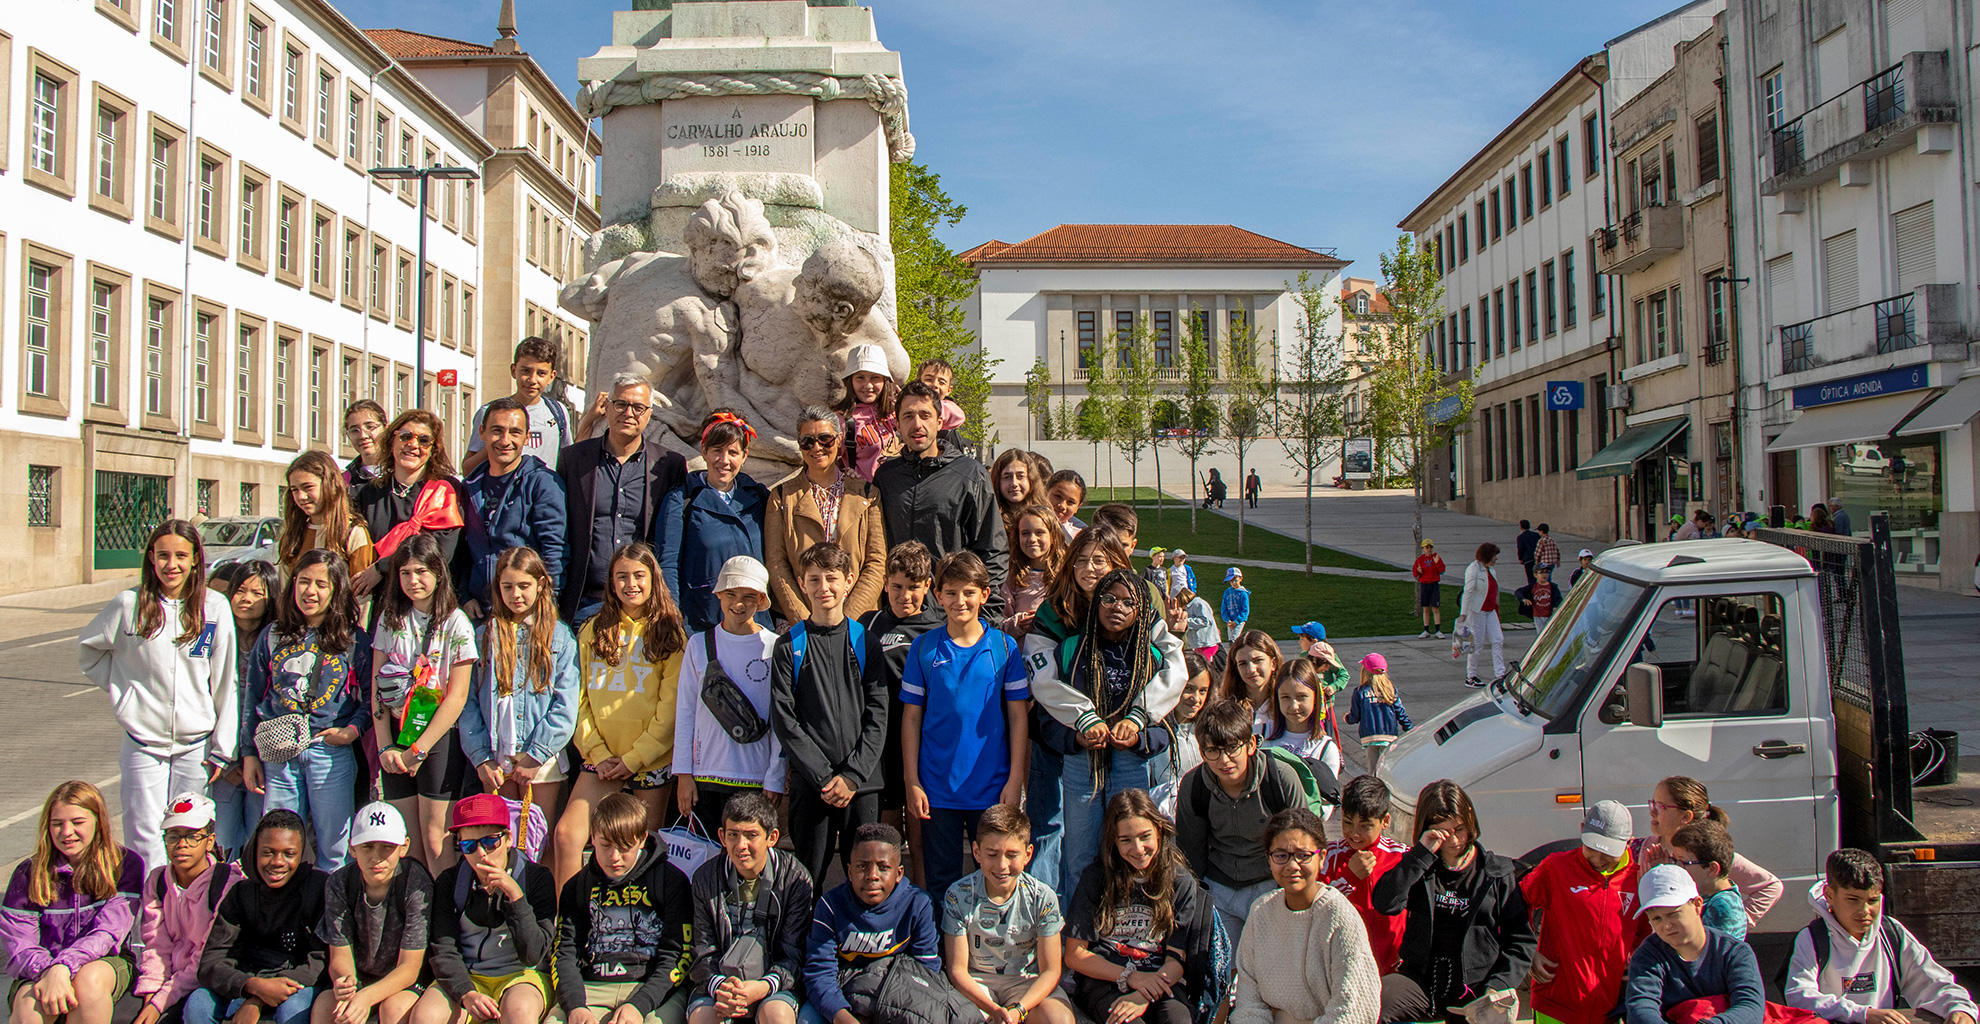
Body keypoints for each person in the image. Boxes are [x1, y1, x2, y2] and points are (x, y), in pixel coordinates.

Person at [78, 520, 238, 872]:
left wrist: (222, 750)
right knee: (144, 835)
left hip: (195, 747)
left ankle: (187, 912)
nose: (172, 564)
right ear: (151, 558)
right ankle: (147, 918)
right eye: (163, 555)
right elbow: (89, 653)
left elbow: (226, 680)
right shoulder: (128, 604)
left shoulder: (215, 607)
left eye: (181, 555)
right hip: (142, 744)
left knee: (189, 835)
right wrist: (126, 693)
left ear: (196, 559)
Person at [1035, 568, 1186, 892]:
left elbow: (1167, 726)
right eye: (1108, 598)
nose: (1116, 607)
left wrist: (1138, 733)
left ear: (1140, 612)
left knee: (1133, 852)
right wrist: (1075, 735)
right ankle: (1078, 932)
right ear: (1096, 604)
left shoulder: (1151, 657)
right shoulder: (1071, 651)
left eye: (1127, 602)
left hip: (1131, 762)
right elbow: (1047, 718)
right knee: (1081, 855)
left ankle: (1128, 926)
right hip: (1080, 765)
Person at [556, 542, 688, 890]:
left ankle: (638, 927)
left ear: (653, 578)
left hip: (647, 760)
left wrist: (634, 759)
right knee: (568, 836)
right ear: (611, 583)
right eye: (622, 576)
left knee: (643, 849)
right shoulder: (592, 630)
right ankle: (568, 928)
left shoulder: (670, 633)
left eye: (639, 575)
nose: (631, 584)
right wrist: (598, 754)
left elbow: (671, 707)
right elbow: (578, 698)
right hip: (601, 760)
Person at [901, 552, 1029, 901]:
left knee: (993, 875)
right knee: (941, 877)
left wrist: (1015, 779)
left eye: (969, 592)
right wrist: (912, 781)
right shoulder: (923, 648)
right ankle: (944, 953)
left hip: (991, 787)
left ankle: (990, 951)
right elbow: (911, 718)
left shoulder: (1004, 647)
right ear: (938, 595)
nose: (960, 601)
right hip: (937, 787)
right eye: (952, 592)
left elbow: (1018, 717)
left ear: (985, 595)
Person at [1018, 523, 1133, 894]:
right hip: (1058, 735)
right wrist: (1081, 715)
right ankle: (1051, 915)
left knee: (1121, 831)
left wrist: (1136, 717)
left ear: (1118, 561)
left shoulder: (1138, 603)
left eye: (1100, 560)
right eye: (1081, 559)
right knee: (1054, 827)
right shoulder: (1054, 610)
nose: (1089, 568)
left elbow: (1162, 664)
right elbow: (1041, 673)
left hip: (1121, 739)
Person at [243, 549, 371, 872]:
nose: (310, 591)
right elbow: (253, 697)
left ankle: (331, 919)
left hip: (330, 753)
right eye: (303, 582)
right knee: (279, 847)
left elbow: (372, 698)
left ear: (336, 590)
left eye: (320, 584)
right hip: (279, 756)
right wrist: (249, 753)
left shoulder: (352, 639)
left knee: (335, 850)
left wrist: (351, 730)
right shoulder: (272, 636)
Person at [769, 542, 888, 887]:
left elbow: (878, 714)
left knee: (866, 880)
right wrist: (823, 777)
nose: (824, 588)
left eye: (832, 579)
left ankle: (860, 941)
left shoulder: (866, 641)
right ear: (802, 584)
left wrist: (852, 775)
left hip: (862, 784)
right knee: (807, 878)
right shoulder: (789, 645)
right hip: (812, 785)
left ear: (849, 581)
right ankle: (803, 942)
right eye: (815, 579)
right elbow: (784, 719)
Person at [1372, 780, 1535, 1024]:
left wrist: (1498, 986)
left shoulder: (1497, 873)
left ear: (1470, 822)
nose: (1454, 840)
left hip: (1476, 988)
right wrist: (1421, 853)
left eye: (1459, 829)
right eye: (1443, 832)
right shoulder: (1420, 866)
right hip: (1421, 981)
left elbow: (1521, 942)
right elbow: (1386, 903)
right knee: (1370, 1003)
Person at [369, 534, 478, 877]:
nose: (413, 581)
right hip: (397, 738)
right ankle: (418, 916)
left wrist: (418, 749)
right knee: (409, 842)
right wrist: (386, 744)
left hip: (436, 740)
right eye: (404, 573)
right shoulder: (390, 619)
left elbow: (457, 696)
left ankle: (444, 922)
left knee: (436, 840)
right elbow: (376, 688)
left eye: (421, 572)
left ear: (438, 573)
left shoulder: (456, 622)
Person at [459, 547, 580, 852]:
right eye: (508, 586)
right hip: (495, 758)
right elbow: (468, 702)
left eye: (524, 586)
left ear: (541, 585)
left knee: (538, 843)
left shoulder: (560, 637)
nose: (516, 595)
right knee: (497, 843)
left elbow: (565, 705)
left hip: (541, 761)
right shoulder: (484, 635)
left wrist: (535, 756)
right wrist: (481, 757)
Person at [1, 781, 144, 1024]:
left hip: (105, 961)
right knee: (29, 1004)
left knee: (88, 981)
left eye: (78, 823)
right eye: (57, 824)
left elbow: (108, 932)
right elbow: (19, 945)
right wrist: (49, 970)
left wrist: (64, 967)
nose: (67, 832)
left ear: (98, 821)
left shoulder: (124, 864)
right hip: (41, 968)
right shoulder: (27, 874)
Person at [1784, 848, 1977, 1024]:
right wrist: (1864, 1014)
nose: (1864, 910)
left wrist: (1959, 1007)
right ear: (1829, 895)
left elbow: (1931, 981)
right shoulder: (1812, 938)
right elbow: (1800, 997)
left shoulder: (1892, 933)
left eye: (1873, 900)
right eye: (1853, 900)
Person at [1063, 791, 1206, 1024]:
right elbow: (1075, 955)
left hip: (1160, 979)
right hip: (1107, 978)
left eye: (1145, 836)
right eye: (1126, 840)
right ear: (1113, 841)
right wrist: (1130, 977)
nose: (1138, 848)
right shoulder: (1096, 877)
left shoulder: (1180, 880)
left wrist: (1143, 994)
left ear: (1159, 831)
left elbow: (1176, 960)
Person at [557, 374, 689, 625]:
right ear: (607, 408)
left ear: (649, 414)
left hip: (642, 605)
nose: (629, 413)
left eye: (638, 407)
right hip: (586, 601)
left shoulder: (669, 465)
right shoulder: (573, 460)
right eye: (621, 404)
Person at [1231, 807, 1382, 1024]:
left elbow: (1353, 1010)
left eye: (1303, 855)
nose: (1292, 866)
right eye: (1281, 855)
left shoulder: (1339, 916)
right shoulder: (1261, 912)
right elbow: (1248, 999)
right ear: (1269, 858)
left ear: (1322, 858)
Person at [417, 795, 559, 1024]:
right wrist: (467, 993)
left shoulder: (536, 878)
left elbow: (533, 954)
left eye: (490, 842)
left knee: (519, 1010)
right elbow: (443, 949)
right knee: (427, 1016)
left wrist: (515, 896)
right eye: (469, 845)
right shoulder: (450, 882)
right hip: (468, 976)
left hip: (522, 976)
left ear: (508, 838)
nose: (481, 853)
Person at [552, 793, 692, 1024]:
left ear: (642, 839)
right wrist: (575, 1006)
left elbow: (678, 955)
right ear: (592, 839)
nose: (614, 857)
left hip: (652, 988)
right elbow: (564, 953)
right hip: (592, 987)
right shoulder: (577, 886)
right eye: (605, 845)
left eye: (624, 847)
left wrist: (639, 1005)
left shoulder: (671, 881)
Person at [873, 382, 1009, 618]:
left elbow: (992, 548)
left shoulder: (969, 474)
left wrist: (986, 616)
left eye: (925, 415)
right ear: (897, 425)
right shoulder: (886, 477)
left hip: (951, 614)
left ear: (939, 422)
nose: (917, 424)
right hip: (897, 613)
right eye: (908, 416)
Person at [1178, 699, 1311, 941]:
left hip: (1271, 884)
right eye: (1213, 751)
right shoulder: (1194, 786)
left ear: (1250, 744)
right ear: (1202, 752)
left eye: (1231, 748)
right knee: (1224, 971)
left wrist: (1299, 898)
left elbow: (1305, 844)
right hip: (1220, 887)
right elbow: (1190, 851)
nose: (1224, 760)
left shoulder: (1279, 778)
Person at [672, 557, 786, 837]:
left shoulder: (775, 647)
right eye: (731, 594)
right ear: (719, 595)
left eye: (749, 596)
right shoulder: (698, 644)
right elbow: (686, 712)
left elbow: (780, 718)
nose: (739, 603)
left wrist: (775, 777)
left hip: (755, 778)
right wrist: (684, 775)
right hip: (704, 778)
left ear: (761, 600)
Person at [188, 810, 328, 1024]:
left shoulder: (319, 889)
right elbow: (211, 962)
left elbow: (321, 961)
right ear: (254, 851)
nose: (277, 862)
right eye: (268, 852)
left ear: (302, 854)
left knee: (294, 1008)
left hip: (296, 985)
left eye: (289, 854)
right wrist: (252, 986)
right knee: (198, 1003)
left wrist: (257, 1000)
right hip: (247, 980)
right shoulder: (241, 893)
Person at [939, 806, 1074, 1024]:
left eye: (1012, 855)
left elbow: (1050, 971)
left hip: (1026, 983)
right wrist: (994, 1010)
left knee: (1059, 1019)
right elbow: (957, 971)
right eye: (992, 854)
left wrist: (1018, 1010)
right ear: (976, 852)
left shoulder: (1043, 897)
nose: (1002, 865)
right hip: (976, 984)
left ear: (1028, 854)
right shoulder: (958, 895)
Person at [685, 792, 811, 1024]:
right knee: (704, 1017)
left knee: (776, 1015)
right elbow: (703, 950)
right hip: (720, 984)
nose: (741, 846)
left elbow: (794, 953)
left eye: (751, 835)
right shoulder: (705, 878)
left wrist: (762, 987)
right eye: (733, 835)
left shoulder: (794, 878)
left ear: (772, 837)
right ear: (722, 837)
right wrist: (721, 987)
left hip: (773, 983)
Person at [859, 542, 942, 876]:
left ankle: (922, 896)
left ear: (928, 587)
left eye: (913, 588)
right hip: (880, 743)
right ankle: (891, 903)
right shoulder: (868, 623)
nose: (904, 595)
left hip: (922, 743)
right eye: (896, 587)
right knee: (888, 833)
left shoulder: (938, 629)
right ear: (884, 583)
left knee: (921, 832)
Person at [801, 824, 941, 1024]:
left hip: (897, 998)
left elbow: (926, 971)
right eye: (862, 866)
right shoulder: (830, 906)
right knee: (807, 1020)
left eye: (883, 867)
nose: (872, 875)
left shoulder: (918, 904)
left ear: (899, 873)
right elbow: (819, 973)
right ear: (849, 871)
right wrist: (843, 1018)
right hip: (843, 995)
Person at [1519, 800, 1643, 1024]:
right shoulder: (1555, 867)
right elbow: (1515, 904)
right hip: (1553, 1005)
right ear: (1581, 828)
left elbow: (1645, 936)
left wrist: (1638, 964)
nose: (1597, 859)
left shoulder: (1637, 880)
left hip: (1609, 1010)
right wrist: (1529, 951)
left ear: (1629, 843)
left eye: (1607, 853)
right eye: (1592, 848)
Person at [764, 407, 887, 625]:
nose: (817, 447)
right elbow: (777, 563)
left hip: (857, 621)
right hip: (799, 621)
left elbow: (876, 562)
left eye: (825, 439)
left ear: (839, 440)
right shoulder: (781, 497)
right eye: (807, 441)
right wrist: (802, 619)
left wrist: (847, 619)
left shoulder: (867, 494)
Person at [313, 803, 431, 1024]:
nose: (376, 857)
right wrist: (346, 984)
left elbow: (410, 967)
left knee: (394, 1009)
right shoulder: (339, 883)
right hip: (362, 978)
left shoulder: (415, 884)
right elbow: (340, 956)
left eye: (387, 846)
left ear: (404, 847)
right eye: (367, 846)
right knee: (325, 1006)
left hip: (406, 981)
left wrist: (366, 998)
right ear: (352, 847)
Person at [659, 410, 772, 636]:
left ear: (744, 456)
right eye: (717, 451)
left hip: (755, 623)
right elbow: (668, 563)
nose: (724, 460)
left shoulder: (758, 497)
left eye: (733, 452)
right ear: (704, 451)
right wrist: (674, 618)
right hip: (702, 621)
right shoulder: (682, 499)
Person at [135, 795, 244, 1024]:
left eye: (192, 837)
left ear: (209, 841)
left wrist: (161, 1000)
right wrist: (151, 992)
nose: (181, 845)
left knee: (195, 1011)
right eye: (173, 836)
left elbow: (207, 955)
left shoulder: (226, 883)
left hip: (208, 979)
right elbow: (156, 944)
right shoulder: (157, 881)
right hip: (168, 981)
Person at [460, 398, 569, 618]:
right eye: (497, 431)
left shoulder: (542, 483)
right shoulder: (470, 486)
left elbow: (555, 550)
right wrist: (463, 595)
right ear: (482, 433)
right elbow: (461, 552)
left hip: (527, 610)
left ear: (527, 437)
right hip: (480, 612)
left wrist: (546, 604)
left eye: (515, 432)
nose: (505, 440)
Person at [1630, 775, 1782, 931]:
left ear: (1685, 816)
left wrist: (1738, 921)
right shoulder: (1639, 849)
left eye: (1661, 807)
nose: (1652, 812)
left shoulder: (1708, 855)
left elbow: (1771, 886)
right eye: (1653, 804)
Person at [353, 410, 469, 607]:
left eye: (424, 441)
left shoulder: (445, 491)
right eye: (406, 436)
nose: (413, 445)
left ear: (433, 450)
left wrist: (381, 568)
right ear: (391, 441)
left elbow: (440, 554)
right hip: (382, 604)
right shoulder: (369, 494)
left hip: (431, 605)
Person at [1620, 865, 1763, 1024]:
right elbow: (1640, 1007)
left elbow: (1751, 1005)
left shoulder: (1735, 952)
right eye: (1657, 919)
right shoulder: (1647, 955)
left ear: (1697, 905)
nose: (1667, 925)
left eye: (1673, 914)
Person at [209, 561, 280, 856]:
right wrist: (227, 761)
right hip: (221, 762)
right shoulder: (211, 635)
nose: (247, 599)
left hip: (263, 762)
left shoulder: (278, 639)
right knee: (222, 841)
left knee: (257, 841)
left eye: (257, 592)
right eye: (240, 591)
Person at [1320, 776, 1411, 974]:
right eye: (1347, 822)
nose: (1354, 833)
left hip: (1393, 970)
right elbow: (1317, 907)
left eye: (1365, 825)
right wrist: (1349, 878)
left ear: (1385, 821)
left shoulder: (1402, 858)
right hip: (1343, 969)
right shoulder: (1328, 857)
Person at [463, 337, 573, 476]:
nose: (532, 380)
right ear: (514, 370)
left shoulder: (558, 412)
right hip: (503, 494)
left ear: (551, 376)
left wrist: (588, 421)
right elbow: (468, 469)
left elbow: (570, 460)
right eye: (526, 371)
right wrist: (497, 443)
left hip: (544, 494)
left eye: (541, 373)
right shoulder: (490, 413)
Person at [280, 450, 377, 579]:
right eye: (294, 490)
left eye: (308, 487)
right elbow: (284, 590)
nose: (301, 496)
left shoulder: (352, 533)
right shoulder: (293, 536)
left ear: (329, 485)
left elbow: (361, 594)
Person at [1262, 659, 1344, 789]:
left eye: (1301, 697)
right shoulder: (1262, 737)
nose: (1294, 706)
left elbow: (1326, 805)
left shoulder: (1325, 748)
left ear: (1316, 697)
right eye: (1285, 697)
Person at [833, 344, 901, 484]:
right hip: (864, 497)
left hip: (900, 495)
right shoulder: (841, 420)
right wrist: (841, 474)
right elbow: (824, 461)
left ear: (885, 381)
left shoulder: (897, 412)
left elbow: (956, 418)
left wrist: (910, 404)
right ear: (850, 380)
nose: (868, 385)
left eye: (875, 378)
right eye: (860, 378)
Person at [1667, 822, 1744, 940]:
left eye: (1683, 862)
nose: (1676, 868)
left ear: (1712, 869)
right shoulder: (1704, 894)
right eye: (1674, 860)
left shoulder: (1723, 906)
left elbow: (1697, 950)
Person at [1150, 651, 1212, 793]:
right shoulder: (1154, 734)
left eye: (1203, 691)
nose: (1196, 699)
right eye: (1188, 689)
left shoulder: (1209, 730)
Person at [1003, 504, 1066, 638]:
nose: (1032, 539)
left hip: (1057, 652)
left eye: (1039, 532)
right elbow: (1000, 623)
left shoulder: (1065, 575)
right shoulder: (1013, 576)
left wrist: (1044, 620)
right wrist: (1020, 622)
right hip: (1022, 653)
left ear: (1053, 536)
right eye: (1025, 533)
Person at [1344, 653, 1411, 774]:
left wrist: (1347, 718)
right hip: (1389, 736)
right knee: (1388, 770)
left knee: (1373, 770)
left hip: (1370, 737)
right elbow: (1400, 712)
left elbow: (1355, 716)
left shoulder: (1360, 692)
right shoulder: (1390, 690)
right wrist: (1408, 728)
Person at [1457, 543, 1506, 689]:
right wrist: (1464, 614)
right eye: (1494, 556)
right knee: (1477, 643)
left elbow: (1493, 591)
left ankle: (1500, 674)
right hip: (1476, 611)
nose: (1496, 559)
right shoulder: (1473, 569)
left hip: (1490, 610)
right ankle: (1470, 676)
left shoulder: (1491, 570)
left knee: (1498, 640)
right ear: (1487, 556)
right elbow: (1468, 591)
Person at [1219, 629, 1284, 715]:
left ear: (1273, 663)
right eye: (1243, 663)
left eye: (1258, 660)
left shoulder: (1286, 706)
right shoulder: (1225, 710)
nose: (1251, 669)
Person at [990, 449, 1047, 542]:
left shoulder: (1046, 515)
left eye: (1020, 476)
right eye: (1007, 477)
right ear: (998, 481)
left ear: (1031, 479)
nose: (1014, 483)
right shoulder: (990, 518)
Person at [916, 358, 969, 448]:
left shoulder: (949, 408)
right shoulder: (906, 403)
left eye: (942, 382)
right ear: (918, 382)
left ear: (949, 390)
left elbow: (958, 416)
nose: (935, 385)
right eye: (929, 379)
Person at [344, 400, 392, 489]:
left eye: (370, 427)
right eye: (354, 430)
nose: (363, 436)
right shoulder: (344, 482)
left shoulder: (402, 476)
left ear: (386, 428)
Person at [1412, 540, 1446, 639]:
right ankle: (1426, 630)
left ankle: (1437, 630)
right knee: (1425, 608)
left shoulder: (1436, 558)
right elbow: (1415, 573)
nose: (1429, 550)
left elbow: (1442, 571)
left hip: (1434, 584)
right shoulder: (1420, 560)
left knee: (1435, 607)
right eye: (1427, 548)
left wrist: (1437, 563)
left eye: (1430, 547)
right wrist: (1419, 571)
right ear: (1423, 549)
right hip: (1425, 585)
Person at [1515, 566, 1563, 633]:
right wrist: (1523, 599)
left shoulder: (1553, 587)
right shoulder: (1532, 587)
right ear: (1535, 575)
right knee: (1541, 634)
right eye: (1541, 573)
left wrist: (1556, 606)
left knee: (1551, 633)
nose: (1544, 575)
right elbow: (1518, 592)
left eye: (1546, 572)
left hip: (1550, 615)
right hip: (1538, 616)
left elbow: (1559, 599)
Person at [1177, 588, 1221, 660]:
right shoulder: (1190, 606)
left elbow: (1205, 621)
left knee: (1205, 665)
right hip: (1198, 644)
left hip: (1207, 643)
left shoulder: (1198, 603)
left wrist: (1186, 621)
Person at [1043, 471, 1086, 540]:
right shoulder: (1027, 525)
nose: (1062, 506)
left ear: (1078, 507)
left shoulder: (1079, 537)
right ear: (1045, 493)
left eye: (1070, 502)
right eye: (1058, 496)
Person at [1221, 568, 1250, 640]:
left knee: (1234, 639)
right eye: (1231, 581)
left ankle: (1235, 651)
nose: (1233, 583)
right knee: (1230, 638)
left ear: (1240, 578)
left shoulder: (1243, 593)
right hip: (1230, 620)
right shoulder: (1227, 592)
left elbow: (1245, 610)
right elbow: (1224, 608)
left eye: (1235, 580)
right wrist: (1227, 620)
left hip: (1239, 620)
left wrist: (1237, 621)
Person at [1515, 520, 1540, 587]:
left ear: (1521, 527)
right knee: (1538, 575)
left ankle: (1532, 588)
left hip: (1527, 559)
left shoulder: (1520, 537)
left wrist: (1520, 558)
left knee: (1530, 576)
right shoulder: (1536, 535)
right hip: (1537, 558)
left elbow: (1520, 548)